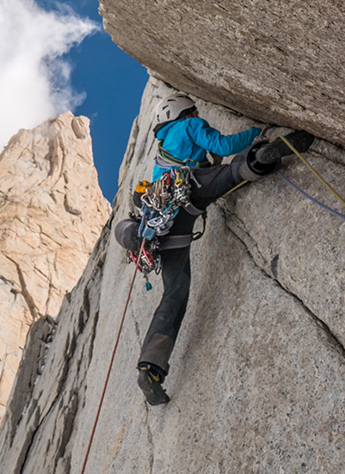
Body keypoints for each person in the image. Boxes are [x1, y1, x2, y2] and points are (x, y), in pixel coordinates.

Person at [114, 93, 314, 405]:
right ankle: (264, 156)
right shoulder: (190, 125)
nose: (197, 111)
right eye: (193, 109)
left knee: (174, 294)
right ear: (183, 111)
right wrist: (255, 131)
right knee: (233, 172)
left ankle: (150, 368)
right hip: (191, 188)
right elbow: (223, 146)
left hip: (165, 228)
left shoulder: (161, 155)